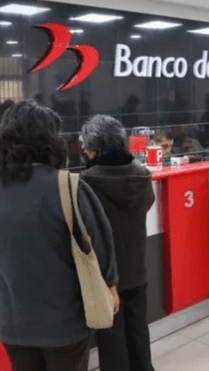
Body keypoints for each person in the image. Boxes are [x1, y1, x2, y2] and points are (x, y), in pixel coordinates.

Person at [0, 100, 119, 371]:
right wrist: (110, 287)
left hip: (12, 323)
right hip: (64, 325)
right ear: (51, 141)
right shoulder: (68, 187)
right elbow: (100, 244)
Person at [79, 115, 156, 371]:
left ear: (95, 149)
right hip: (136, 266)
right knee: (138, 330)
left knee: (111, 338)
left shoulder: (86, 182)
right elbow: (148, 204)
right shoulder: (142, 175)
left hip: (105, 273)